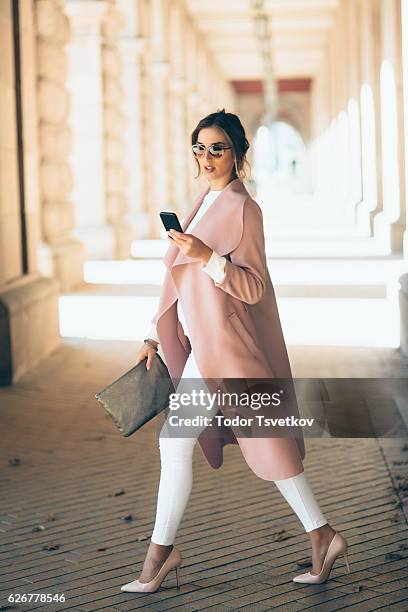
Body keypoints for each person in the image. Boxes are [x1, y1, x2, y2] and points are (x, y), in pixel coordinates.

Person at [120, 110, 351, 594]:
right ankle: (321, 536)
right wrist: (157, 337)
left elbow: (253, 287)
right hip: (205, 347)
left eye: (217, 149)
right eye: (199, 148)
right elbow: (176, 282)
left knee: (265, 448)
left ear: (238, 155)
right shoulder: (202, 202)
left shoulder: (245, 209)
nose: (207, 158)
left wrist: (209, 258)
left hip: (229, 350)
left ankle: (162, 556)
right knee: (192, 445)